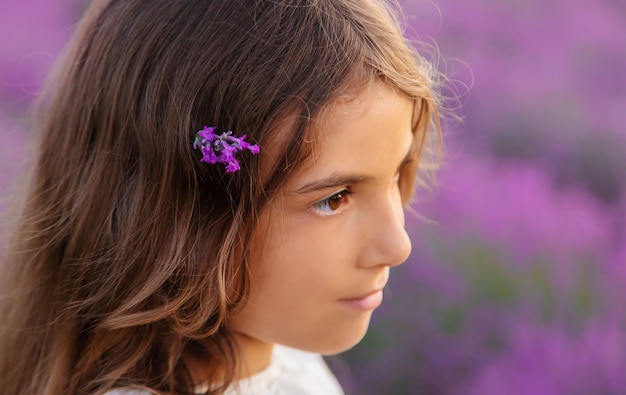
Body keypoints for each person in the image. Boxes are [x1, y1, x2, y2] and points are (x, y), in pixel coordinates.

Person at [0, 0, 443, 394]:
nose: (397, 245)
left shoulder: (292, 366)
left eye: (397, 174)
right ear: (185, 215)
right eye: (335, 198)